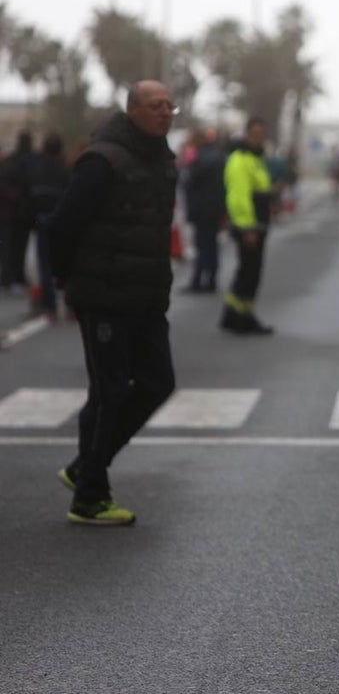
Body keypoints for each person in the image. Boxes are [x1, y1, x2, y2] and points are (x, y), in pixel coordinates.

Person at [47, 80, 179, 525]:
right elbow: (62, 224)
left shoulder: (163, 160)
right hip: (103, 295)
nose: (165, 113)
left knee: (158, 383)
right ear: (133, 111)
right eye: (156, 106)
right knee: (109, 391)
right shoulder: (103, 161)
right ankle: (89, 496)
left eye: (169, 107)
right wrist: (66, 279)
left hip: (146, 296)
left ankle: (87, 464)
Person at [220, 117, 275, 335]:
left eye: (262, 134)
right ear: (247, 135)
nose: (259, 138)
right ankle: (241, 318)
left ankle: (235, 315)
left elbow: (260, 188)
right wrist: (247, 228)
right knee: (249, 273)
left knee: (249, 272)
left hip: (258, 224)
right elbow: (239, 197)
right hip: (249, 226)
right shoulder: (241, 159)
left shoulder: (255, 158)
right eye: (255, 134)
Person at [30, 132, 70, 320]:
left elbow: (30, 198)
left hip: (43, 222)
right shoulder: (66, 170)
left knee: (45, 266)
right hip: (62, 222)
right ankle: (70, 305)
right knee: (67, 264)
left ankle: (51, 306)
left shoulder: (38, 171)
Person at [182, 128, 227, 293]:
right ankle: (208, 280)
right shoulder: (216, 156)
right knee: (210, 246)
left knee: (203, 246)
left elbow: (190, 179)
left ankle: (200, 281)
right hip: (212, 210)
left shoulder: (203, 158)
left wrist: (187, 160)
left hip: (204, 210)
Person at [1, 130, 36, 291]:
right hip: (25, 210)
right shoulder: (32, 162)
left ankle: (7, 276)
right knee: (20, 246)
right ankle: (17, 275)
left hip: (9, 210)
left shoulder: (10, 161)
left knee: (8, 245)